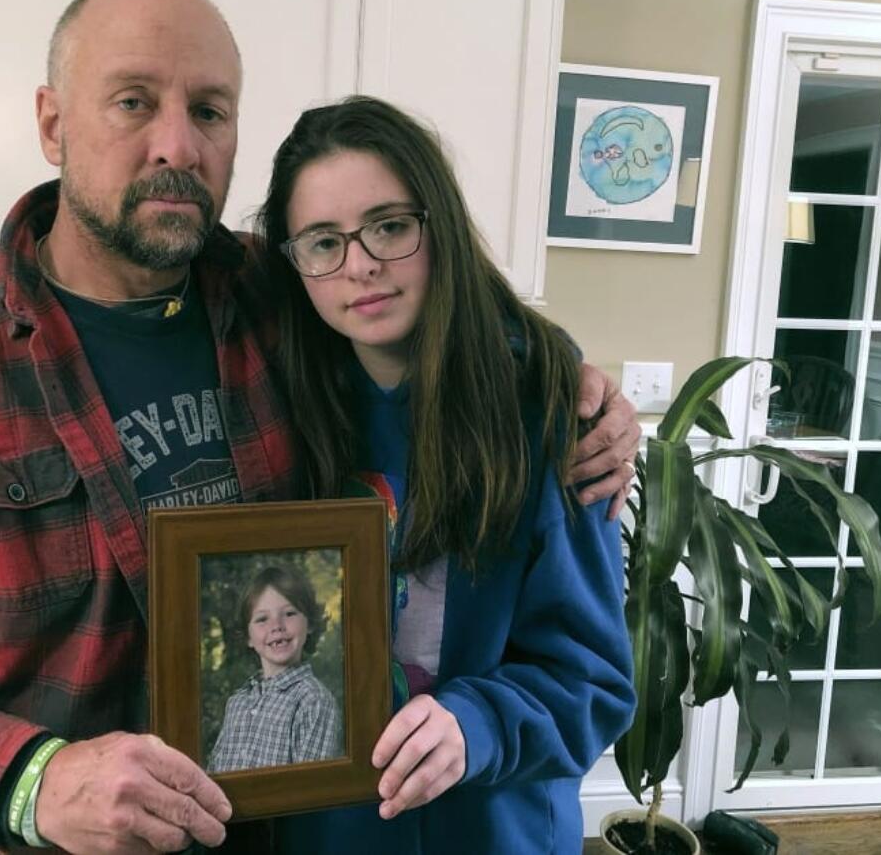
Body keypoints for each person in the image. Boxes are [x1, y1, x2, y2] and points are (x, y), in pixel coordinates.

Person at [0, 0, 639, 855]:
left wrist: (574, 392)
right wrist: (37, 781)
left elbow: (446, 327)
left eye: (210, 111)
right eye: (133, 102)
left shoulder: (283, 300)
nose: (175, 144)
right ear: (54, 123)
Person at [256, 96, 637, 853]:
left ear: (440, 227)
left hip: (492, 830)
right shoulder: (271, 405)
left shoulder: (550, 415)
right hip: (327, 832)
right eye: (323, 242)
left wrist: (478, 723)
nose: (359, 265)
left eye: (389, 227)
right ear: (294, 262)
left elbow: (593, 682)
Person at [207, 563, 340, 774]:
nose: (276, 625)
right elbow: (214, 772)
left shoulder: (313, 701)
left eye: (289, 614)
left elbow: (311, 790)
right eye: (262, 619)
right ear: (249, 637)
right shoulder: (237, 703)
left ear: (311, 624)